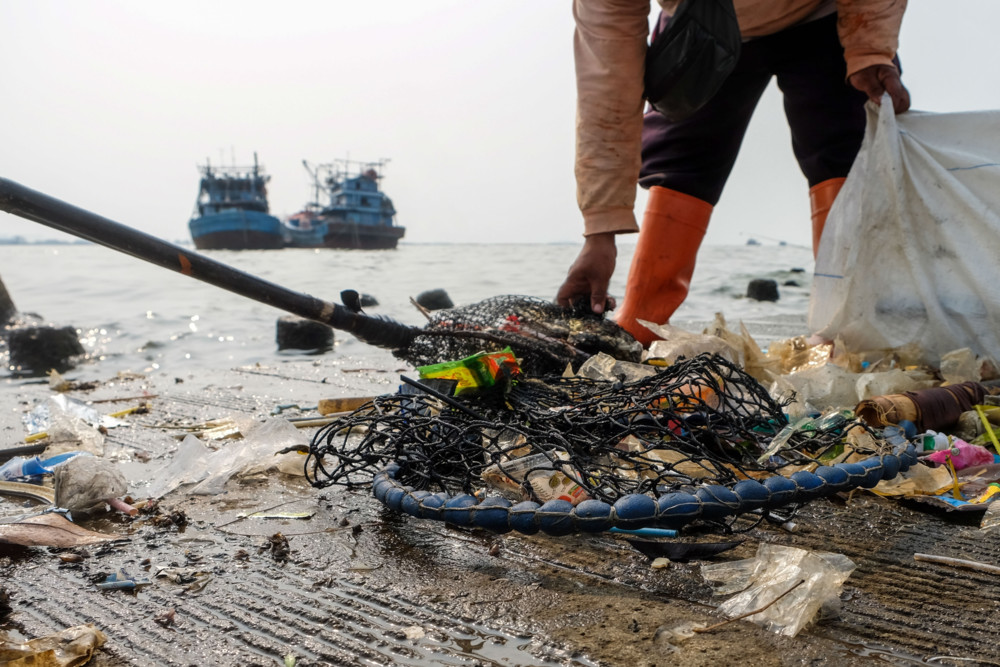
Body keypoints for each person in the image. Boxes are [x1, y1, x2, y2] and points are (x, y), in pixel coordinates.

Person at [556, 0, 910, 347]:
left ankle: (846, 328)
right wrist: (600, 233)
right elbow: (609, 83)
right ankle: (641, 323)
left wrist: (870, 49)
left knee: (845, 149)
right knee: (679, 160)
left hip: (825, 15)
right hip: (702, 21)